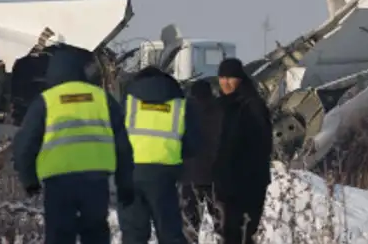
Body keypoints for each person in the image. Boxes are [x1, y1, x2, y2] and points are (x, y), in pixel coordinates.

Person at [12, 43, 135, 244]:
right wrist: (125, 184)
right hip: (95, 182)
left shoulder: (46, 101)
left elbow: (25, 143)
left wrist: (29, 180)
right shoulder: (102, 99)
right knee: (96, 235)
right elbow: (123, 146)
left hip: (58, 184)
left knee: (59, 236)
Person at [117, 66, 201, 244]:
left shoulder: (128, 101)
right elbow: (193, 144)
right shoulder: (180, 103)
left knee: (133, 235)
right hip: (164, 174)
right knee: (169, 233)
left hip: (130, 173)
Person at [212, 57, 273, 244]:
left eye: (230, 78)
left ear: (240, 78)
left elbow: (263, 144)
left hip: (248, 183)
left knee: (243, 232)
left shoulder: (252, 105)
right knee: (228, 234)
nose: (225, 82)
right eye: (222, 78)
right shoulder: (221, 105)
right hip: (225, 182)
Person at [181, 79, 224, 241]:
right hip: (216, 176)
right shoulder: (222, 111)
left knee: (189, 226)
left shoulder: (184, 112)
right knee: (223, 224)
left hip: (190, 175)